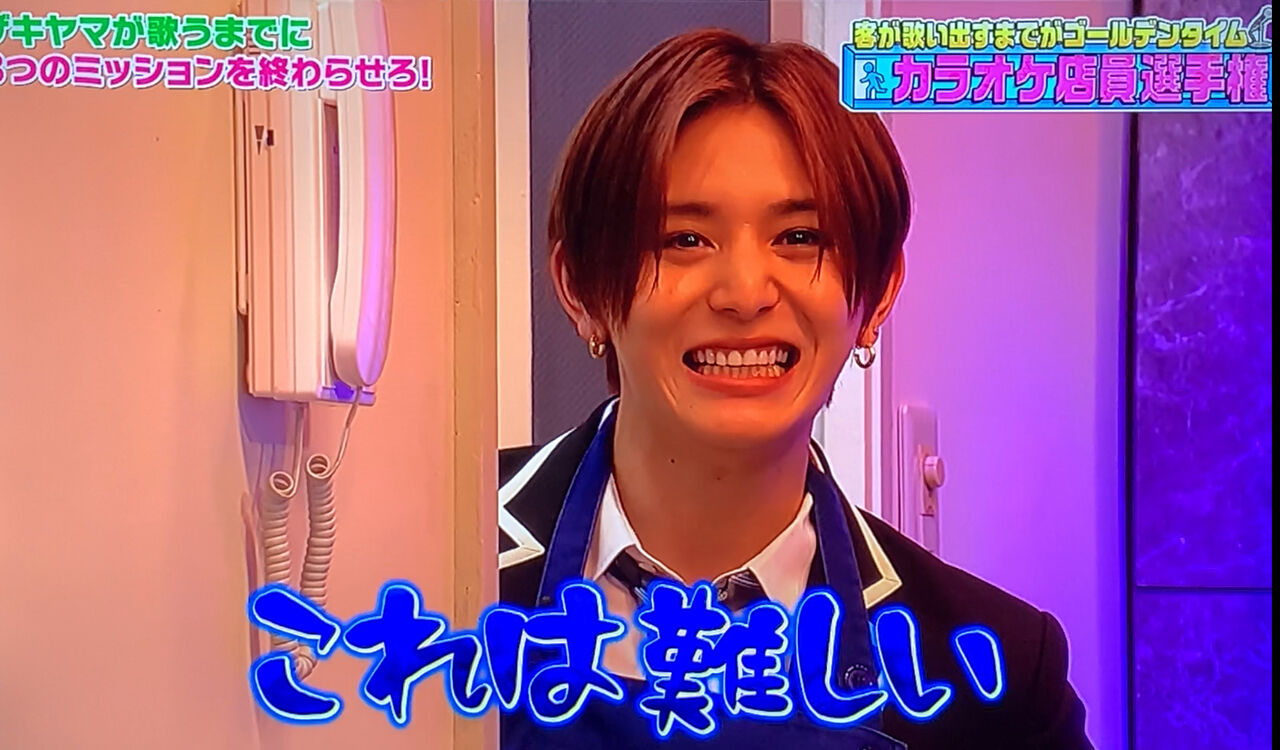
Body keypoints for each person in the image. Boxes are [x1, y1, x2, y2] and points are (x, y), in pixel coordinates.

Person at [497, 28, 1093, 750]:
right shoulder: (425, 561)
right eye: (684, 239)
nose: (746, 292)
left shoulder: (996, 673)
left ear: (878, 294)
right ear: (580, 288)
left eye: (801, 237)